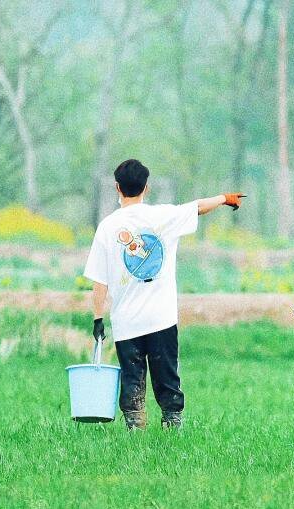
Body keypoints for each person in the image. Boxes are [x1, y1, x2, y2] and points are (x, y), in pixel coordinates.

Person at [83, 159, 244, 430]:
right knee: (167, 377)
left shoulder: (107, 228)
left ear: (117, 188)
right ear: (146, 187)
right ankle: (173, 424)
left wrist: (98, 319)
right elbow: (198, 207)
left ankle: (135, 427)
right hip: (162, 319)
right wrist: (225, 198)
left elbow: (100, 282)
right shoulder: (163, 216)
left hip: (126, 323)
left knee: (132, 379)